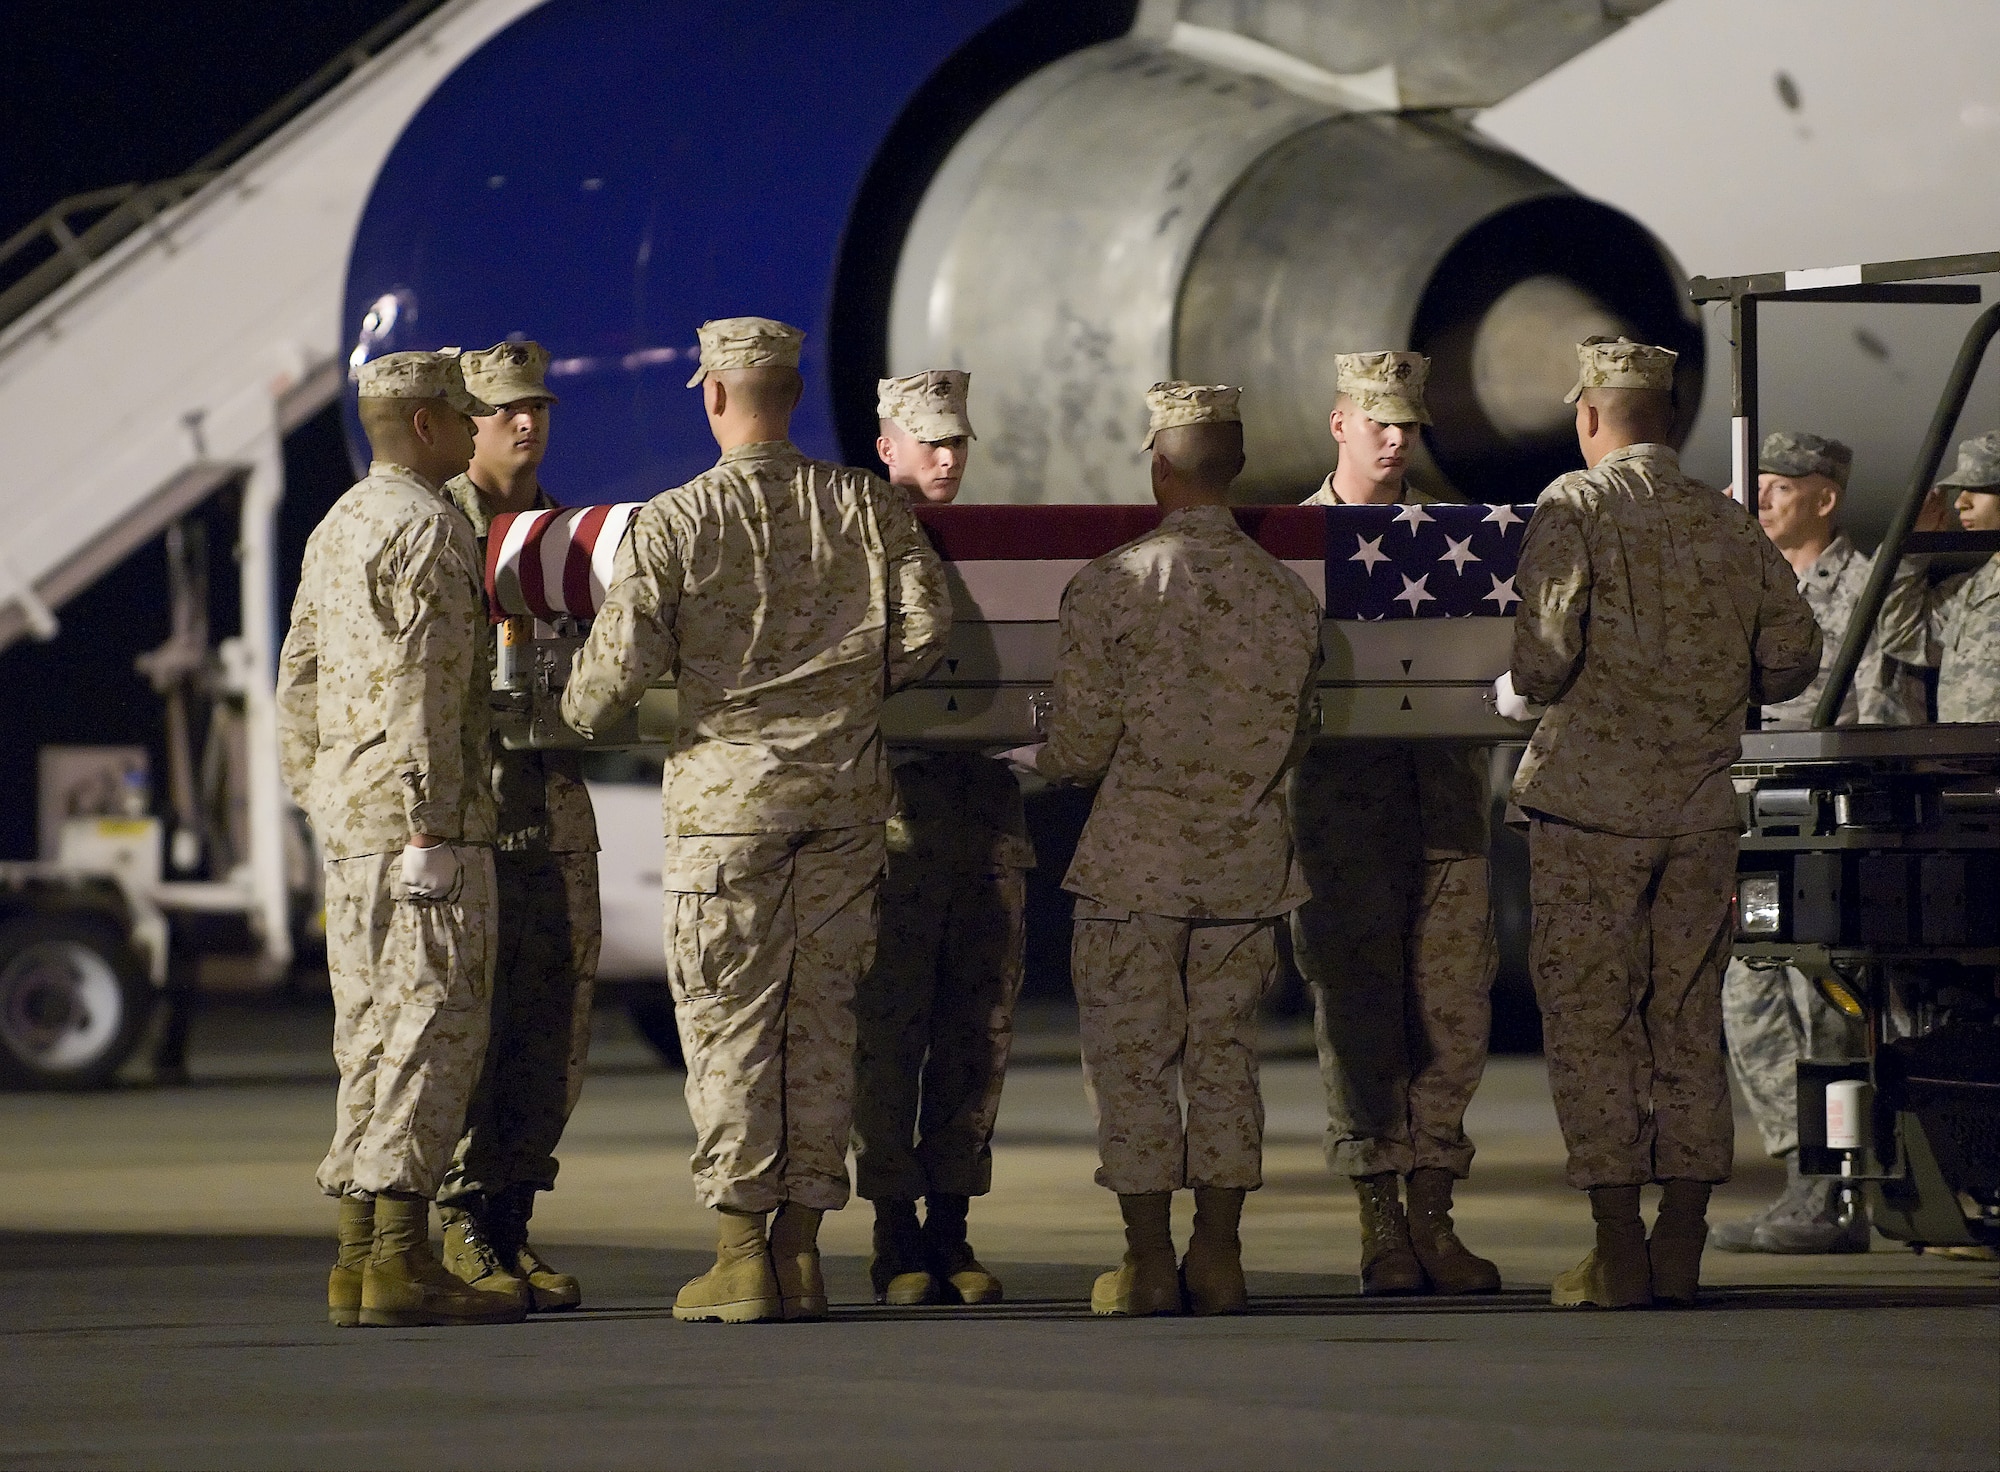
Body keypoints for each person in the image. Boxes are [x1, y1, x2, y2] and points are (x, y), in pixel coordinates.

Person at [560, 317, 952, 1324]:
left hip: (725, 812)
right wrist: (845, 694)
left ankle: (739, 1256)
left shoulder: (677, 520)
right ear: (790, 391)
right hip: (842, 802)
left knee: (732, 1029)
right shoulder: (864, 507)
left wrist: (571, 712)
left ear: (713, 394)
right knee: (821, 1027)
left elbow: (609, 685)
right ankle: (803, 1252)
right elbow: (926, 627)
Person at [1498, 336, 1821, 1309]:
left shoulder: (1575, 504)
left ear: (1588, 416)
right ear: (1670, 418)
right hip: (1696, 812)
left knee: (1594, 1022)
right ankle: (1678, 1243)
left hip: (1590, 812)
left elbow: (1546, 653)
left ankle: (1616, 1250)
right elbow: (1791, 656)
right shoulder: (1726, 523)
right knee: (1684, 1020)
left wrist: (1516, 694)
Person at [1013, 382, 1322, 1317]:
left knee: (1134, 1063)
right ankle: (1220, 1259)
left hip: (1133, 870)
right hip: (1246, 868)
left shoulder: (1113, 585)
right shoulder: (1285, 596)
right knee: (1225, 1062)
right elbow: (1298, 734)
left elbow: (1080, 749)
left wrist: (1033, 750)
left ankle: (1147, 1262)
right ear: (1236, 468)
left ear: (1159, 467)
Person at [276, 350, 521, 1327]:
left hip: (352, 822)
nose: (473, 430)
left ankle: (353, 1258)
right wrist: (425, 815)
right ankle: (398, 1261)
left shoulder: (337, 525)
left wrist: (323, 794)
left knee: (367, 1032)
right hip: (429, 827)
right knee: (434, 1028)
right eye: (462, 416)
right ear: (426, 424)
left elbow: (297, 675)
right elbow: (424, 685)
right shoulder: (429, 527)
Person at [1290, 351, 1503, 1296]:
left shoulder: (1465, 540)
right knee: (1360, 1014)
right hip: (1339, 820)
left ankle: (1434, 1214)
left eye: (1407, 425)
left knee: (1452, 1013)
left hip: (1447, 813)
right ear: (1339, 423)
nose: (1393, 438)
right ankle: (1378, 1214)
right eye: (1375, 420)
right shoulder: (1289, 547)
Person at [850, 370, 1034, 1306]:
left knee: (976, 1031)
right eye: (928, 442)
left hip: (984, 812)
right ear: (887, 446)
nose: (947, 457)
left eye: (957, 442)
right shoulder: (854, 543)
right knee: (890, 1030)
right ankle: (891, 1234)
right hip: (895, 816)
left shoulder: (999, 551)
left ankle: (952, 1226)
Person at [1713, 429, 1922, 1256]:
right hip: (1752, 818)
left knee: (1828, 1002)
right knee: (1750, 997)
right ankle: (1807, 1169)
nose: (1760, 498)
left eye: (1779, 485)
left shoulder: (1873, 586)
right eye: (1756, 484)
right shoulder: (1743, 587)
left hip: (1835, 819)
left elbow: (1880, 712)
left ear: (1825, 497)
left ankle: (1841, 1183)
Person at [429, 341, 602, 1311]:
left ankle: (509, 1216)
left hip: (554, 801)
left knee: (554, 1020)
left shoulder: (565, 532)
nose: (526, 422)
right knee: (478, 1015)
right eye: (504, 411)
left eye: (537, 404)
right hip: (478, 804)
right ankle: (459, 1219)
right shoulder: (443, 531)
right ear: (467, 426)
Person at [1884, 429, 2000, 722]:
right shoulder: (1974, 589)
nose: (1961, 503)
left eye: (1979, 488)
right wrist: (1913, 547)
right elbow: (1903, 636)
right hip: (1968, 764)